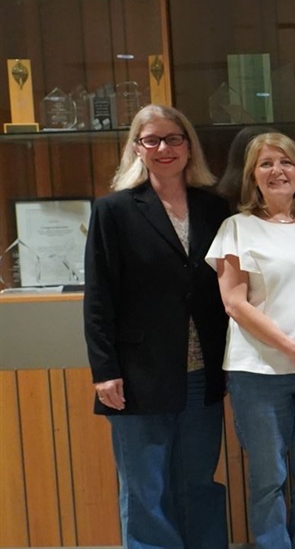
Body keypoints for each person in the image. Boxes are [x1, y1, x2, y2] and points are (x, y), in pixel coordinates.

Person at [84, 104, 229, 548]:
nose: (164, 148)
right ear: (137, 149)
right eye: (152, 140)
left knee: (199, 483)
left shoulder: (215, 208)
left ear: (189, 147)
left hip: (202, 373)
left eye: (173, 138)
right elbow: (99, 296)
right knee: (146, 491)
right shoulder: (115, 210)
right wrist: (104, 370)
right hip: (137, 375)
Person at [207, 132, 295, 549]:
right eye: (265, 164)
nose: (276, 171)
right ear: (252, 176)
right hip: (259, 373)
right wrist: (286, 345)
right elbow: (233, 301)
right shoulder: (236, 227)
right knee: (269, 479)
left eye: (285, 162)